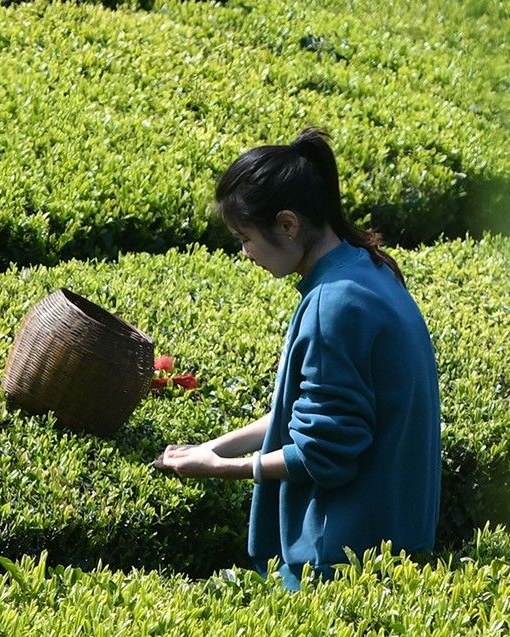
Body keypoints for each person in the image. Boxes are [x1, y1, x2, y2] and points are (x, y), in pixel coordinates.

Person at [156, 130, 441, 587]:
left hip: (337, 562)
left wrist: (224, 470)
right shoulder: (368, 267)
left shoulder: (335, 306)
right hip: (388, 542)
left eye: (244, 237)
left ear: (287, 224)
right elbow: (309, 413)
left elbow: (323, 453)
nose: (244, 253)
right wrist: (213, 447)